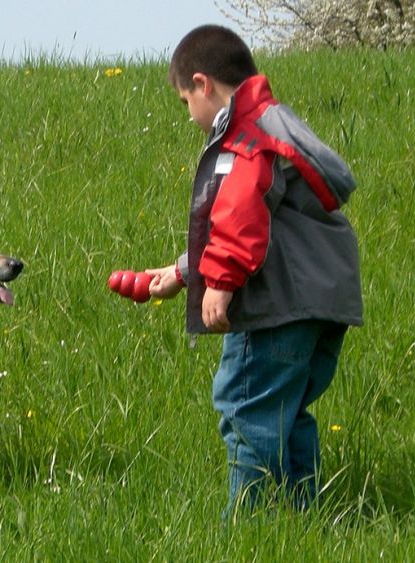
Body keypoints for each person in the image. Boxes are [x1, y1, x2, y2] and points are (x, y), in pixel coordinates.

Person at [145, 24, 363, 516]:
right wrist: (184, 271)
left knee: (246, 409)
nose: (190, 116)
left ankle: (248, 525)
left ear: (202, 84)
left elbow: (241, 207)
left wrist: (220, 283)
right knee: (287, 413)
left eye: (185, 102)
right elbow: (261, 220)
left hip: (278, 304)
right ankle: (301, 517)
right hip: (322, 298)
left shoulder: (247, 134)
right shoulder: (279, 123)